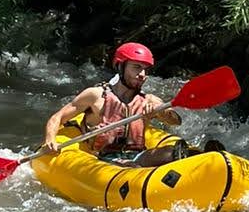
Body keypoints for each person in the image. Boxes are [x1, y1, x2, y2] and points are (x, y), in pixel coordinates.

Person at [41, 42, 187, 166]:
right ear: (120, 67)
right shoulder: (96, 95)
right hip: (103, 159)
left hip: (137, 157)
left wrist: (161, 112)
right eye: (136, 67)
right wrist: (50, 140)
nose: (142, 74)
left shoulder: (149, 100)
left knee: (171, 152)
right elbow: (57, 118)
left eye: (145, 69)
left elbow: (176, 121)